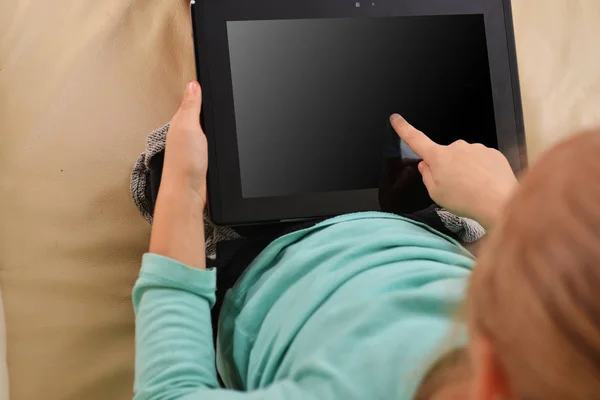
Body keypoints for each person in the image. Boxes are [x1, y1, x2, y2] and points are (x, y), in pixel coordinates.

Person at [133, 81, 600, 400]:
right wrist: (502, 202)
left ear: (492, 374)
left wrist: (185, 193)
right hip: (422, 227)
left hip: (264, 255)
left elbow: (172, 390)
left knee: (169, 158)